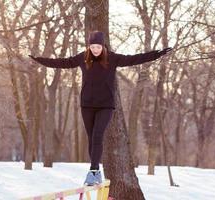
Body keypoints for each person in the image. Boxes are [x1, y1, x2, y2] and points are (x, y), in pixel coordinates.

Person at [29, 31, 172, 186]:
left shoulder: (112, 58)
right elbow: (63, 63)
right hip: (87, 105)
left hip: (105, 105)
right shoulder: (83, 58)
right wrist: (40, 61)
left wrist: (157, 54)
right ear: (89, 46)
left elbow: (134, 59)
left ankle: (93, 170)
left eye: (98, 46)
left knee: (97, 136)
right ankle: (96, 171)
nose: (95, 49)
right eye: (92, 46)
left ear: (103, 46)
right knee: (91, 139)